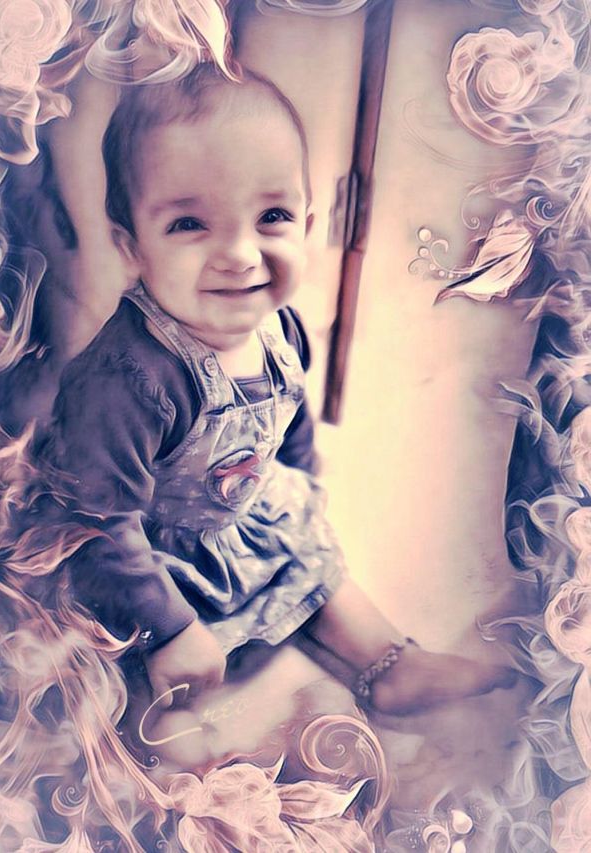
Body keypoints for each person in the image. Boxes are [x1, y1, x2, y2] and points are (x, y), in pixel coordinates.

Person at [41, 64, 512, 741]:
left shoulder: (279, 328)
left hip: (239, 514)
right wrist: (168, 626)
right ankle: (162, 730)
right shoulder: (128, 378)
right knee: (133, 659)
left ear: (308, 222)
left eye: (272, 217)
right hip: (139, 549)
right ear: (131, 246)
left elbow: (286, 423)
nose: (240, 254)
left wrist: (300, 487)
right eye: (189, 224)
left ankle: (388, 663)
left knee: (309, 553)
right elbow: (94, 518)